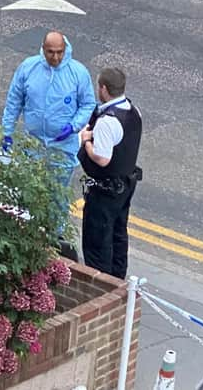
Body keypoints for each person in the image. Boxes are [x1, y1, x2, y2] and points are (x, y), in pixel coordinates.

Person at [1, 30, 96, 230]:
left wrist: (74, 126)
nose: (55, 57)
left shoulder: (77, 73)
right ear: (43, 49)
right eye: (51, 52)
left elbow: (87, 104)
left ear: (65, 49)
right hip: (33, 144)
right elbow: (14, 101)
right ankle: (29, 235)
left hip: (62, 147)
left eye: (59, 52)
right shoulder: (29, 68)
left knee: (57, 197)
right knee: (29, 192)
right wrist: (7, 132)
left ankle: (54, 239)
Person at [77, 67, 142, 279]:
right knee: (118, 236)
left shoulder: (107, 121)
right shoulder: (133, 111)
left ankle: (102, 285)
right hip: (125, 184)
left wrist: (86, 140)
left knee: (97, 242)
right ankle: (118, 283)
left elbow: (102, 159)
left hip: (105, 190)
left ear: (103, 88)